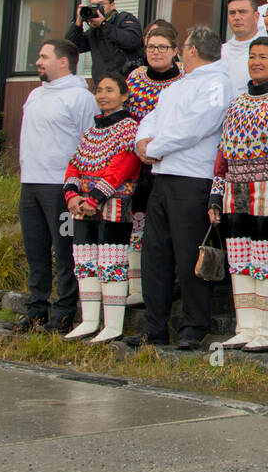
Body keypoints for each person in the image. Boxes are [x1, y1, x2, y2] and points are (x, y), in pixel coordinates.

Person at [127, 26, 235, 350]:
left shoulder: (218, 82)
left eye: (181, 47)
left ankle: (193, 326)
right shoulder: (178, 85)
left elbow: (197, 126)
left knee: (190, 257)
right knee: (155, 257)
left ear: (190, 50)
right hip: (162, 176)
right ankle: (154, 327)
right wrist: (141, 141)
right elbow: (152, 117)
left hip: (192, 179)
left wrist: (156, 146)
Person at [209, 37, 268, 353]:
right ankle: (245, 327)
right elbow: (222, 154)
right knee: (239, 260)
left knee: (267, 260)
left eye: (263, 56)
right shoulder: (236, 103)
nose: (256, 61)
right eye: (252, 56)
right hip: (235, 189)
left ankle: (266, 331)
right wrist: (214, 196)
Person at [14, 40, 99, 333]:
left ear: (63, 62)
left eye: (43, 56)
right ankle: (36, 309)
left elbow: (90, 143)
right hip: (31, 185)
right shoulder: (35, 95)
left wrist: (80, 189)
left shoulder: (81, 98)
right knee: (36, 251)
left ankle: (63, 312)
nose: (38, 61)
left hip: (61, 188)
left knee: (64, 252)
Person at [62, 72, 142, 343]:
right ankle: (89, 320)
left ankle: (113, 325)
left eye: (109, 90)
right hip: (84, 206)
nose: (102, 95)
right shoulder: (91, 130)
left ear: (124, 95)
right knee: (85, 262)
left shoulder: (129, 128)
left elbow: (122, 167)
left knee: (111, 263)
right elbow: (75, 163)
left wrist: (93, 198)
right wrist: (71, 196)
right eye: (99, 90)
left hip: (114, 204)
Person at [123, 21, 184, 304]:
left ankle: (170, 282)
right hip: (137, 161)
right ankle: (137, 288)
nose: (156, 52)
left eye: (162, 47)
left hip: (172, 161)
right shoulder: (134, 78)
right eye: (151, 47)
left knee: (166, 226)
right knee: (138, 222)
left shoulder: (183, 79)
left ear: (174, 50)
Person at [65, 0, 144, 76]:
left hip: (126, 82)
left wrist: (103, 24)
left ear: (112, 5)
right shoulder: (94, 30)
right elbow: (70, 48)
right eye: (93, 6)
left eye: (101, 5)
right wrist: (78, 23)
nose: (97, 9)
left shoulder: (124, 18)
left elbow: (133, 41)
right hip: (102, 85)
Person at [222, 0, 261, 93]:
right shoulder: (218, 52)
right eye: (232, 13)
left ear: (256, 16)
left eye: (242, 12)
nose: (236, 17)